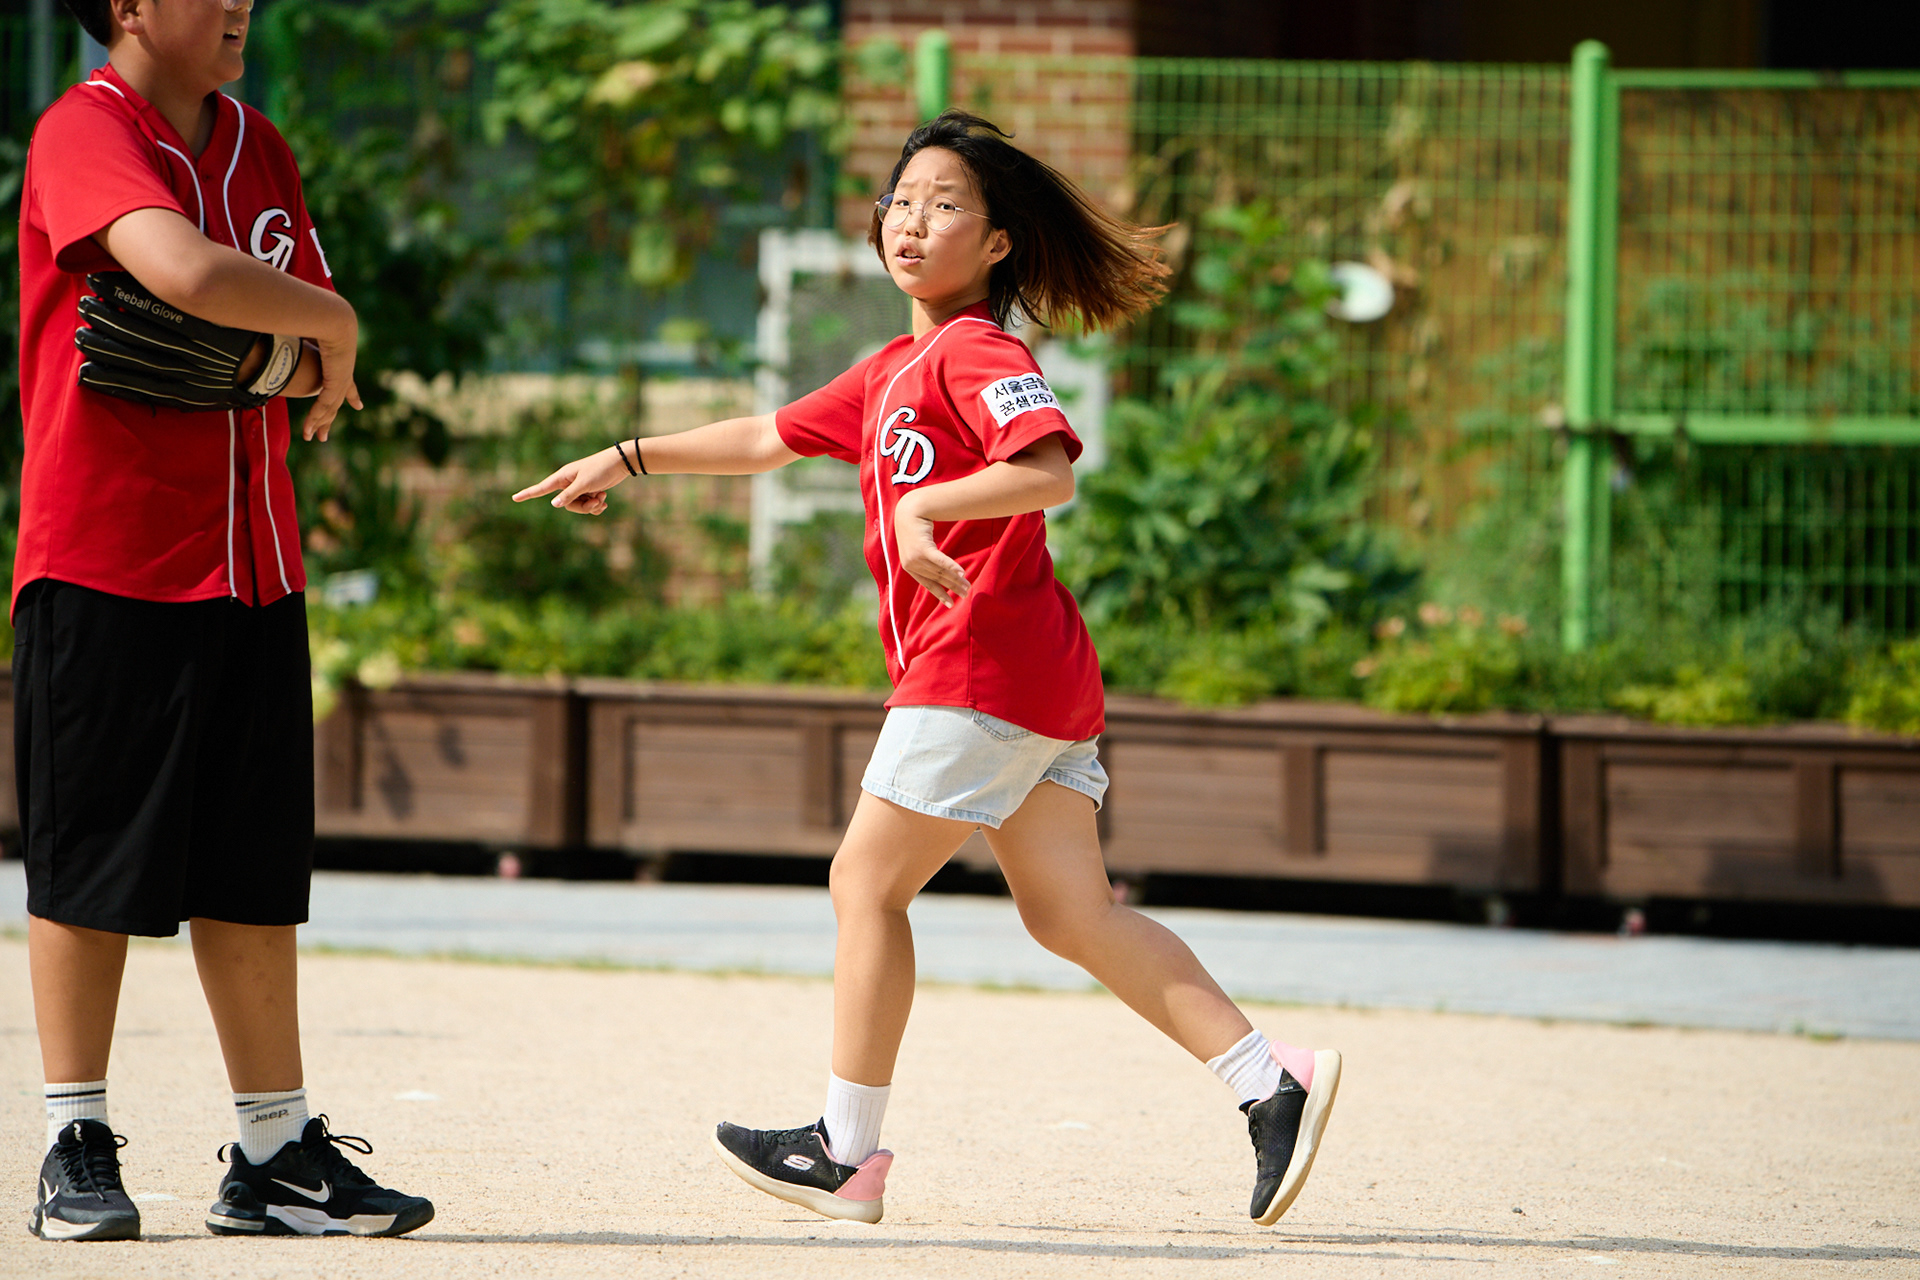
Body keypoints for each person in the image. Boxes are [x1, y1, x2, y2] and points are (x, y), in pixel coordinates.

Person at [514, 109, 1340, 1228]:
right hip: (1033, 678)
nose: (911, 221)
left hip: (980, 667)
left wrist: (923, 507)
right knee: (1073, 915)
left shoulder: (975, 350)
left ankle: (843, 1152)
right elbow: (766, 437)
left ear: (997, 242)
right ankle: (1267, 1079)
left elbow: (1047, 472)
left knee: (866, 884)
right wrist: (628, 456)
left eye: (945, 204)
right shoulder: (894, 367)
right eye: (900, 201)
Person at [15, 0, 431, 1241]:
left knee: (252, 869)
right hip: (108, 557)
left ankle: (275, 1151)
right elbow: (199, 279)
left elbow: (300, 365)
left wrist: (295, 333)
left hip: (255, 562)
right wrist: (321, 324)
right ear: (129, 7)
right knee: (91, 862)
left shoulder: (262, 147)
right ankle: (73, 1139)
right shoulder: (83, 129)